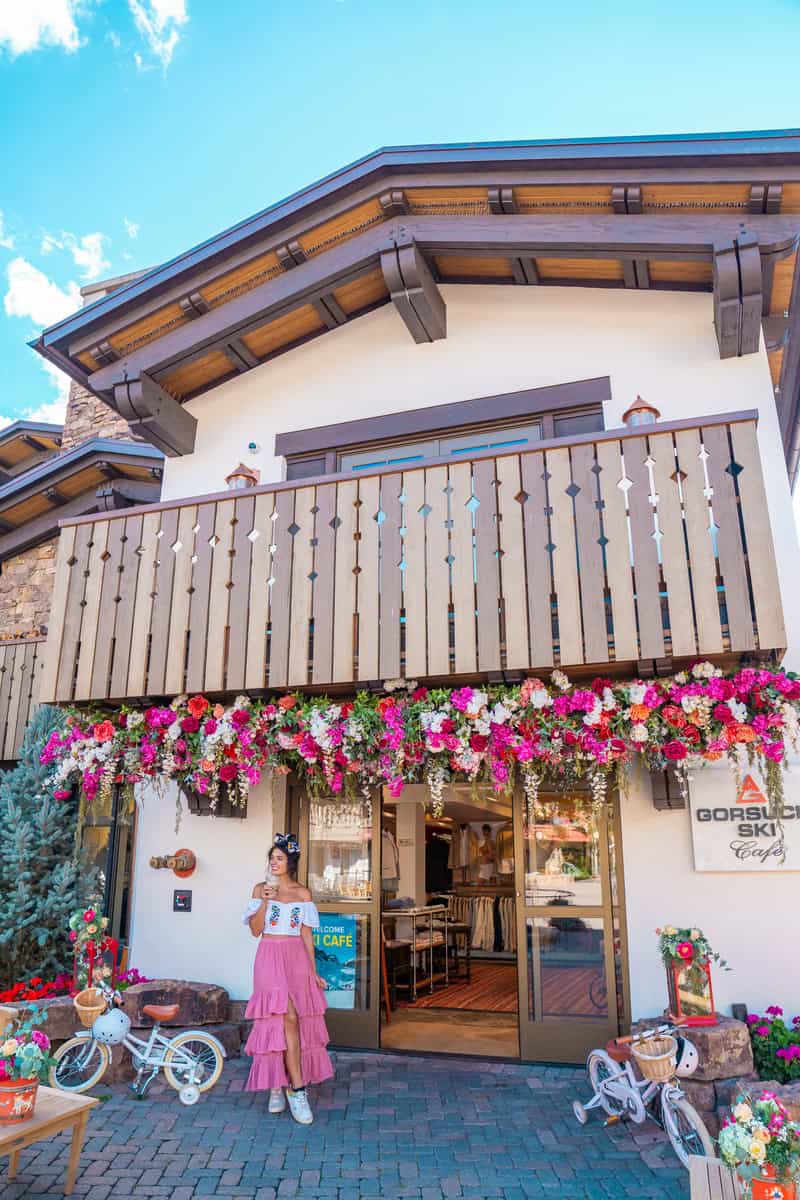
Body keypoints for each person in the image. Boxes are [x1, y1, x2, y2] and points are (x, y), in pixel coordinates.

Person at [242, 833, 333, 1124]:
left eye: (279, 858)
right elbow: (255, 931)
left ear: (290, 862)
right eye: (272, 859)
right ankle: (291, 1088)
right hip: (269, 953)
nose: (274, 863)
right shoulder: (260, 889)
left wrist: (313, 970)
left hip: (295, 957)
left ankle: (285, 1088)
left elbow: (306, 933)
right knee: (280, 1017)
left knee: (294, 1020)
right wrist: (265, 902)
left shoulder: (302, 894)